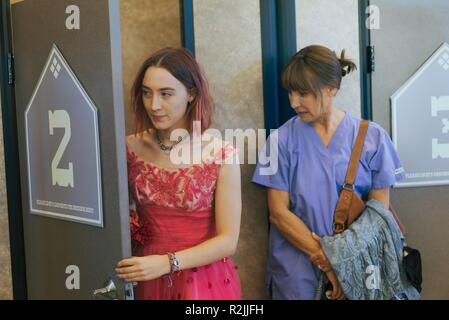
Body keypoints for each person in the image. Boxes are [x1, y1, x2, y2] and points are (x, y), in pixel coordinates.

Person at [252, 45, 406, 300]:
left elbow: (377, 215)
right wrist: (328, 261)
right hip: (296, 271)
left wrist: (344, 263)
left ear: (331, 88)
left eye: (303, 93)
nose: (293, 102)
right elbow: (278, 214)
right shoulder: (279, 141)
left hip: (358, 268)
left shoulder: (373, 137)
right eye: (290, 92)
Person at [116, 47, 242, 300]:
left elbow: (228, 240)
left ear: (191, 94)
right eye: (146, 93)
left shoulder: (221, 153)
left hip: (202, 280)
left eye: (166, 94)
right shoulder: (128, 147)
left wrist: (167, 263)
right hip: (143, 273)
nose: (154, 105)